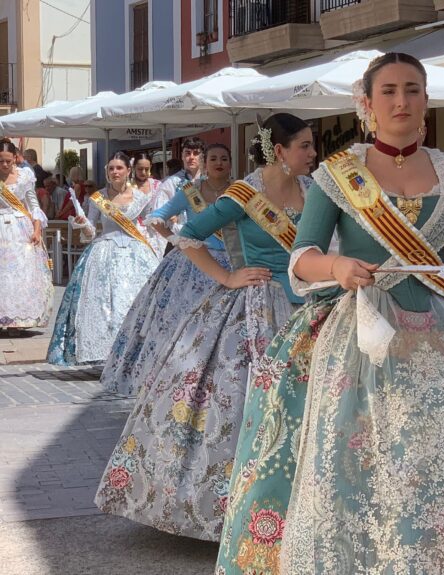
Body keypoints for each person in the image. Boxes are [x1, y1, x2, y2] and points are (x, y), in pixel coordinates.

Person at [226, 52, 444, 574]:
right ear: (367, 104)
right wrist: (336, 265)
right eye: (388, 91)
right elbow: (304, 256)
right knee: (370, 460)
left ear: (426, 101)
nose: (401, 100)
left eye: (412, 89)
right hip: (363, 329)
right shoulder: (339, 175)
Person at [95, 114, 314, 542]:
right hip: (258, 309)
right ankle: (235, 511)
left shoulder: (311, 190)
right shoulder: (245, 194)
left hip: (307, 306)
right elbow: (189, 236)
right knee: (244, 408)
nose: (312, 153)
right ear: (280, 151)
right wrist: (230, 276)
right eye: (304, 145)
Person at [100, 145, 233, 397]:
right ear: (204, 163)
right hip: (194, 262)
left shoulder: (240, 190)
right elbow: (157, 217)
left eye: (224, 158)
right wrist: (177, 241)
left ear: (230, 163)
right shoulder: (190, 192)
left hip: (233, 261)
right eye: (213, 158)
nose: (219, 163)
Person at [47, 151, 161, 365]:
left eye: (119, 168)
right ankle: (104, 353)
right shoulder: (98, 197)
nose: (115, 172)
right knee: (101, 304)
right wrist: (82, 223)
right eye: (111, 168)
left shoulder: (142, 197)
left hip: (136, 254)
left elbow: (149, 227)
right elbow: (90, 231)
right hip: (103, 251)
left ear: (128, 170)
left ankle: (134, 352)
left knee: (132, 300)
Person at [0, 139, 54, 330]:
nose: (5, 165)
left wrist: (38, 229)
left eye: (8, 160)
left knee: (20, 272)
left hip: (21, 228)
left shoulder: (25, 176)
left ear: (15, 158)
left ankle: (18, 319)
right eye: (1, 161)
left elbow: (33, 205)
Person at [156, 138, 204, 255]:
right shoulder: (172, 182)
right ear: (182, 156)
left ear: (203, 157)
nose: (191, 157)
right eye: (187, 153)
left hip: (207, 241)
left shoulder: (209, 181)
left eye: (196, 153)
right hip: (179, 242)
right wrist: (173, 238)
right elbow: (157, 218)